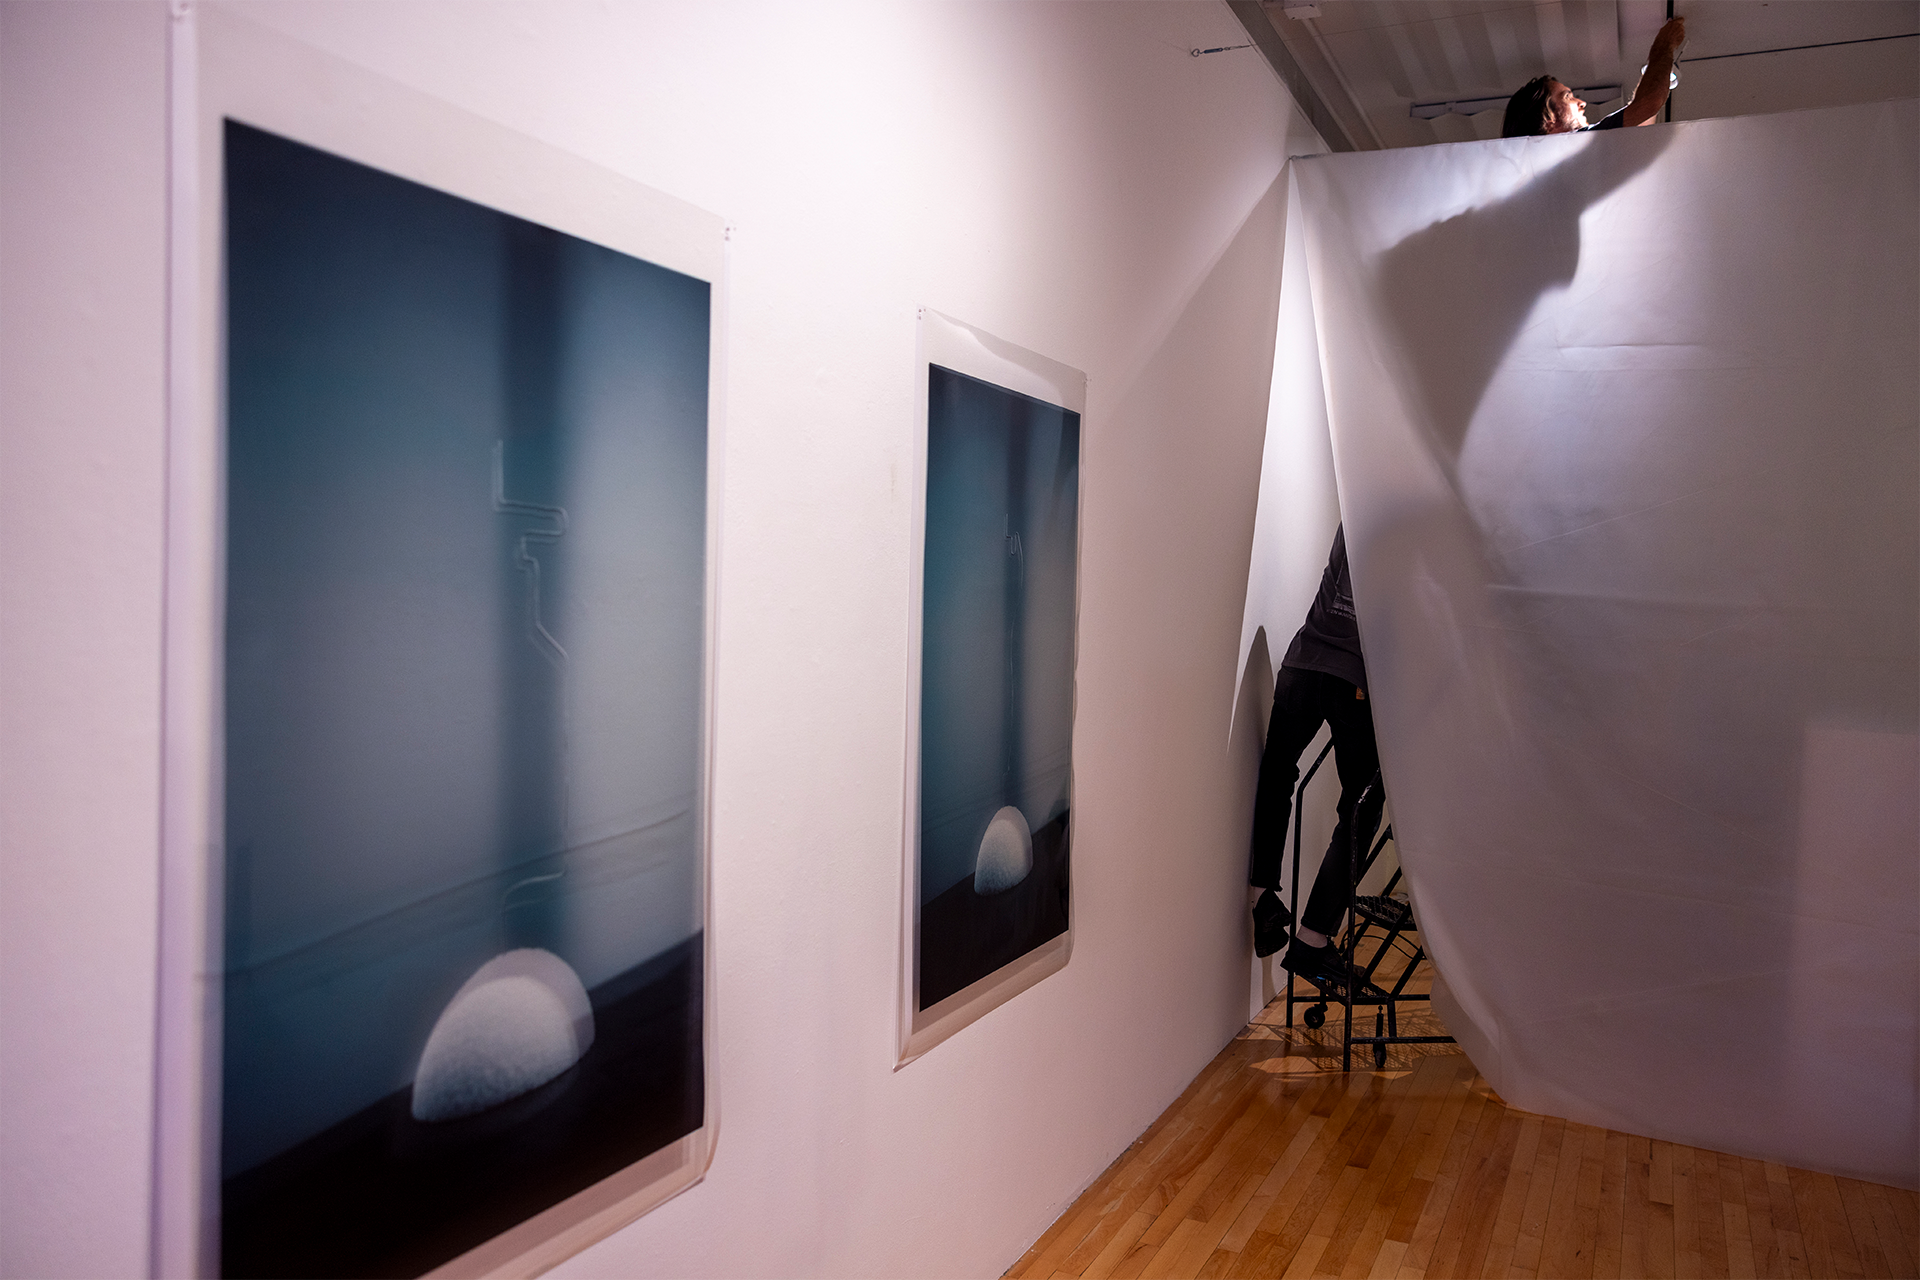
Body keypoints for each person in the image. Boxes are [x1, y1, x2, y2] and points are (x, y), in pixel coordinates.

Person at [1249, 525, 1384, 983]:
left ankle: (1261, 897)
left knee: (1277, 775)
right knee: (1364, 804)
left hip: (1302, 663)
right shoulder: (1411, 513)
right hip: (1352, 680)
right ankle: (1313, 939)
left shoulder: (1354, 497)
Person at [1501, 17, 1686, 138]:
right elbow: (1648, 103)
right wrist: (1663, 45)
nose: (1582, 103)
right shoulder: (1580, 143)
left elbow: (1641, 120)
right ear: (1547, 120)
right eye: (1567, 97)